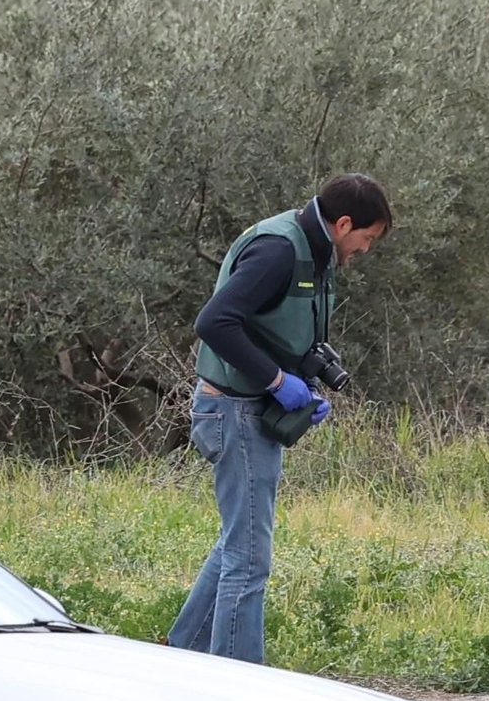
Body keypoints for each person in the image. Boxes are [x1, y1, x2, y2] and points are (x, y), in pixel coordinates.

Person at [166, 173, 392, 663]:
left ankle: (179, 656)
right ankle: (238, 687)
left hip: (247, 408)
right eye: (367, 239)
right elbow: (213, 322)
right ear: (344, 223)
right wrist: (275, 381)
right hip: (233, 409)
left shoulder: (314, 250)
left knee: (237, 544)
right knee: (249, 561)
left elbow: (270, 324)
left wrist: (301, 380)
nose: (366, 249)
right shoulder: (279, 250)